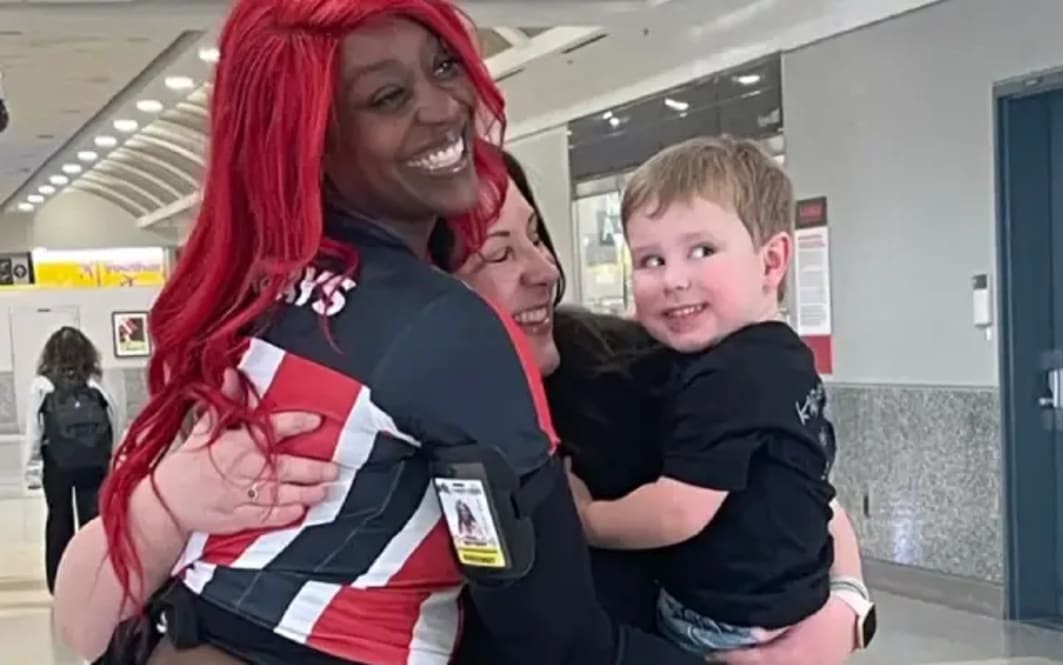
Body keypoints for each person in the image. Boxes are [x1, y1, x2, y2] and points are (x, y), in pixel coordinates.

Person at [53, 2, 698, 664]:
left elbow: (84, 625)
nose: (445, 107)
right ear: (316, 139)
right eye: (389, 96)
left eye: (445, 64)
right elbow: (559, 642)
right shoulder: (446, 329)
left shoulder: (262, 306)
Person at [59, 151, 867, 665]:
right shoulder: (314, 426)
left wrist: (844, 610)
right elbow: (80, 624)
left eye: (537, 238)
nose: (543, 271)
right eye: (497, 253)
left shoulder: (638, 367)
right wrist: (169, 501)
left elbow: (799, 487)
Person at [568, 136, 873, 655]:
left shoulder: (729, 379)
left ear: (772, 260)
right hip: (794, 595)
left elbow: (677, 512)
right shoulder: (780, 353)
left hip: (720, 622)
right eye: (650, 261)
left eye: (701, 251)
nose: (673, 280)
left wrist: (589, 519)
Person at [22, 326, 116, 593]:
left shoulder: (42, 384)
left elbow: (33, 430)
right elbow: (114, 417)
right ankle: (94, 579)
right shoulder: (95, 380)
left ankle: (60, 583)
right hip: (94, 461)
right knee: (92, 521)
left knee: (59, 520)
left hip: (57, 464)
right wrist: (112, 455)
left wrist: (32, 469)